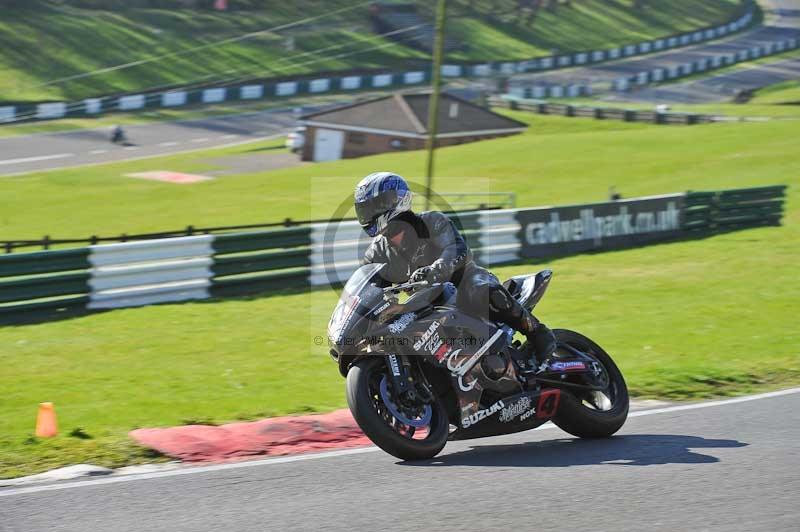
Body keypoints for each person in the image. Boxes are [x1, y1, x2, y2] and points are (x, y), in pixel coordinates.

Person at [354, 171, 557, 368]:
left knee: (481, 290)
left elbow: (456, 249)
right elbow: (368, 285)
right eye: (365, 209)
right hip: (423, 302)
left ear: (395, 200)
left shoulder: (432, 221)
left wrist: (435, 269)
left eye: (373, 206)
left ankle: (539, 334)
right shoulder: (376, 252)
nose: (369, 214)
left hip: (462, 282)